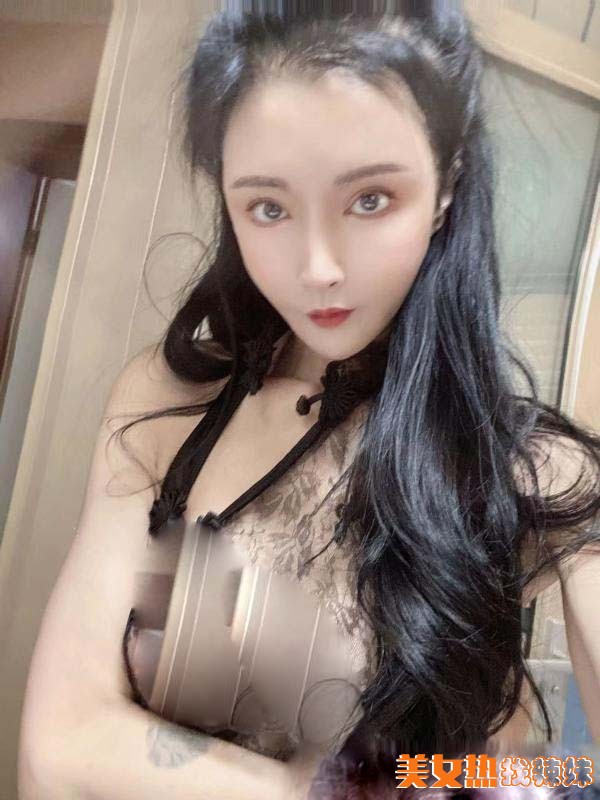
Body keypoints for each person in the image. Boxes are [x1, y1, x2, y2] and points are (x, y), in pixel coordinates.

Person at [18, 1, 600, 798]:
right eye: (269, 207)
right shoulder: (170, 401)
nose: (318, 266)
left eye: (370, 199)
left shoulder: (532, 471)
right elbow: (57, 745)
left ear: (446, 186)